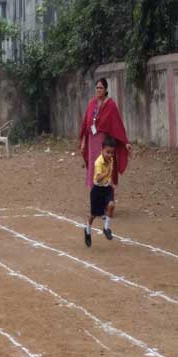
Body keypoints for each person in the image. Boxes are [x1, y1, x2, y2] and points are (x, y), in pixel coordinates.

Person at [80, 78, 131, 215]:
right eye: (97, 88)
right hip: (92, 141)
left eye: (101, 88)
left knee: (107, 170)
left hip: (105, 144)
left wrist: (125, 142)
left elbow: (118, 125)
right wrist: (84, 141)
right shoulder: (91, 104)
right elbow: (86, 124)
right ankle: (97, 204)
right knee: (95, 170)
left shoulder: (111, 105)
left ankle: (107, 204)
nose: (98, 90)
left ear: (106, 89)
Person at [84, 136, 116, 247]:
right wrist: (106, 174)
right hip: (97, 190)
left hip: (107, 188)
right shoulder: (98, 162)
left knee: (111, 205)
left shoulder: (110, 159)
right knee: (93, 215)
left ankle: (106, 228)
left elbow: (109, 174)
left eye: (112, 153)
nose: (110, 155)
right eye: (108, 152)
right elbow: (97, 178)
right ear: (102, 150)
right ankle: (87, 230)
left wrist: (110, 182)